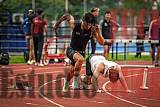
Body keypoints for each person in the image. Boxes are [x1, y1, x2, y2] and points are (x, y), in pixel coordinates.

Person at [54, 13, 107, 92]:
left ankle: (67, 82)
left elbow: (102, 42)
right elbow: (67, 16)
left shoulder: (92, 30)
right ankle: (76, 80)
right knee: (81, 59)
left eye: (90, 24)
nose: (89, 26)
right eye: (88, 24)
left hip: (81, 52)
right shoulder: (75, 25)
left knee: (72, 70)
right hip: (71, 50)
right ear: (83, 21)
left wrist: (98, 32)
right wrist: (57, 24)